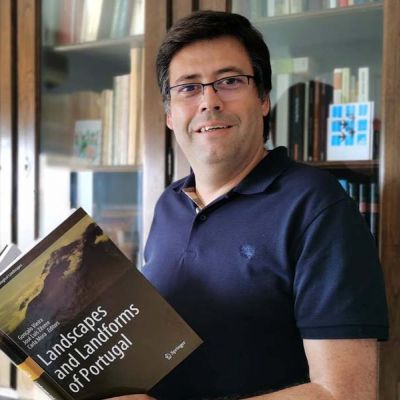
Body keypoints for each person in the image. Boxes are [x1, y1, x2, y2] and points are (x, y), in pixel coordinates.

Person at [124, 10, 388, 400]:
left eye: (229, 81)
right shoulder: (169, 204)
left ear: (263, 98)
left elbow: (346, 392)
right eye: (189, 87)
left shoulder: (317, 205)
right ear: (168, 114)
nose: (209, 101)